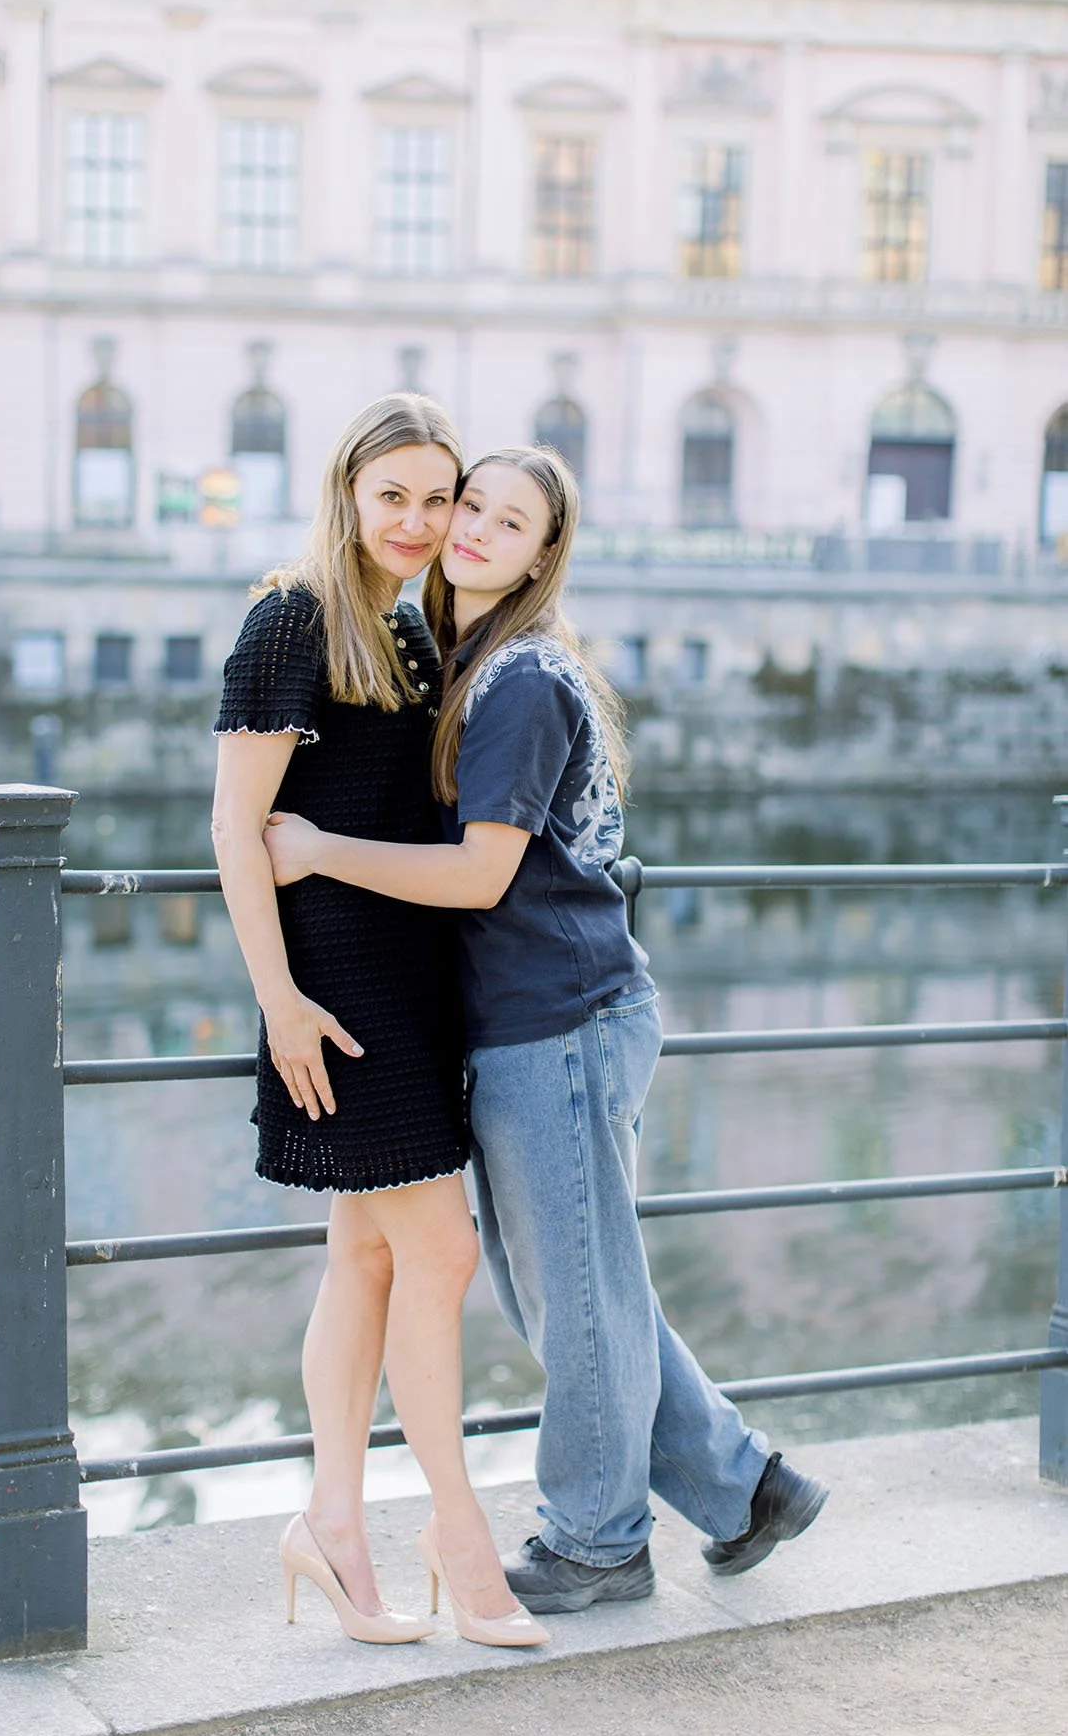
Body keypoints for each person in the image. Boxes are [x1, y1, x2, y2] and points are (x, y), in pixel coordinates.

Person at [263, 445, 829, 1614]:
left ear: (539, 555)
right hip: (536, 1020)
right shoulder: (469, 658)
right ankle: (745, 1488)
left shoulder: (518, 679)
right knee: (581, 1287)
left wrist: (313, 850)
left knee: (574, 1294)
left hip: (559, 1020)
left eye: (505, 523)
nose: (469, 530)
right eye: (469, 504)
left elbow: (478, 877)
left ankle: (597, 1539)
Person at [210, 397, 546, 1648]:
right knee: (442, 1254)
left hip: (406, 976)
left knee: (368, 1257)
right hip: (335, 987)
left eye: (438, 497)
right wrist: (277, 998)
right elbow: (235, 826)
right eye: (392, 494)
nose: (417, 521)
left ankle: (332, 1526)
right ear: (348, 488)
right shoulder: (292, 613)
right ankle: (457, 1535)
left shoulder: (405, 628)